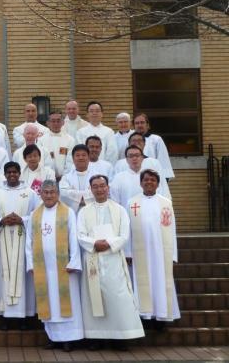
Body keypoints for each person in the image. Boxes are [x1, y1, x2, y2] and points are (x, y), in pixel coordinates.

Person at [77, 175, 144, 350]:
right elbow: (80, 234)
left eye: (102, 186)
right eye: (95, 186)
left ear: (108, 188)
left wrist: (108, 244)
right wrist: (94, 244)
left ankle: (120, 337)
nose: (99, 189)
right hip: (93, 258)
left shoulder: (119, 209)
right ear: (90, 189)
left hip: (113, 258)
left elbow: (124, 234)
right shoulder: (84, 211)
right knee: (94, 298)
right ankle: (96, 338)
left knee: (117, 297)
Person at [26, 180, 83, 351]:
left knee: (66, 303)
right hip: (43, 267)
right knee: (48, 302)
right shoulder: (35, 214)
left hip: (64, 267)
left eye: (52, 192)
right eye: (46, 192)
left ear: (58, 194)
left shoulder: (68, 213)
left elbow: (74, 238)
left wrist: (74, 261)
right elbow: (29, 241)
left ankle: (69, 339)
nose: (49, 195)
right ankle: (52, 338)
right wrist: (31, 264)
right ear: (41, 194)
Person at [126, 170, 180, 328]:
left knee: (160, 281)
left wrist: (173, 255)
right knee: (143, 282)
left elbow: (172, 229)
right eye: (146, 180)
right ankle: (144, 316)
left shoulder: (166, 203)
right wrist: (128, 252)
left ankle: (161, 317)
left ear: (158, 183)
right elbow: (127, 230)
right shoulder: (132, 202)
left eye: (152, 180)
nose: (149, 182)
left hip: (161, 252)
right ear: (140, 183)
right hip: (139, 251)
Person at [0, 162, 39, 326]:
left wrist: (22, 219)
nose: (12, 175)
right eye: (9, 172)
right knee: (4, 273)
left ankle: (22, 315)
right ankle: (5, 316)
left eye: (15, 172)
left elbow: (37, 214)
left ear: (19, 174)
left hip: (22, 238)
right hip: (2, 238)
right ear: (4, 174)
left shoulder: (29, 193)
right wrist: (1, 220)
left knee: (21, 274)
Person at [133, 113, 175, 180]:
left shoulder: (156, 139)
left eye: (142, 122)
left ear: (147, 124)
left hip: (152, 179)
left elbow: (163, 160)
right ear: (134, 126)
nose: (139, 125)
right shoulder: (131, 141)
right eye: (137, 123)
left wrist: (164, 179)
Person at [59, 145, 96, 211]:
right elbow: (63, 193)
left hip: (93, 211)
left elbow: (99, 192)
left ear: (88, 158)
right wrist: (86, 197)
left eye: (84, 155)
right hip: (72, 213)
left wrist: (75, 197)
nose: (81, 158)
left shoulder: (97, 176)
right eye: (77, 155)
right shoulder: (66, 177)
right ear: (73, 159)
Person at [40, 111, 75, 179]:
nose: (56, 123)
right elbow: (42, 161)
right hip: (48, 177)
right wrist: (51, 175)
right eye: (53, 121)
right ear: (48, 123)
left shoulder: (70, 140)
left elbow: (70, 161)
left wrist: (64, 176)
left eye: (58, 121)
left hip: (66, 178)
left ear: (63, 123)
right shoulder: (41, 141)